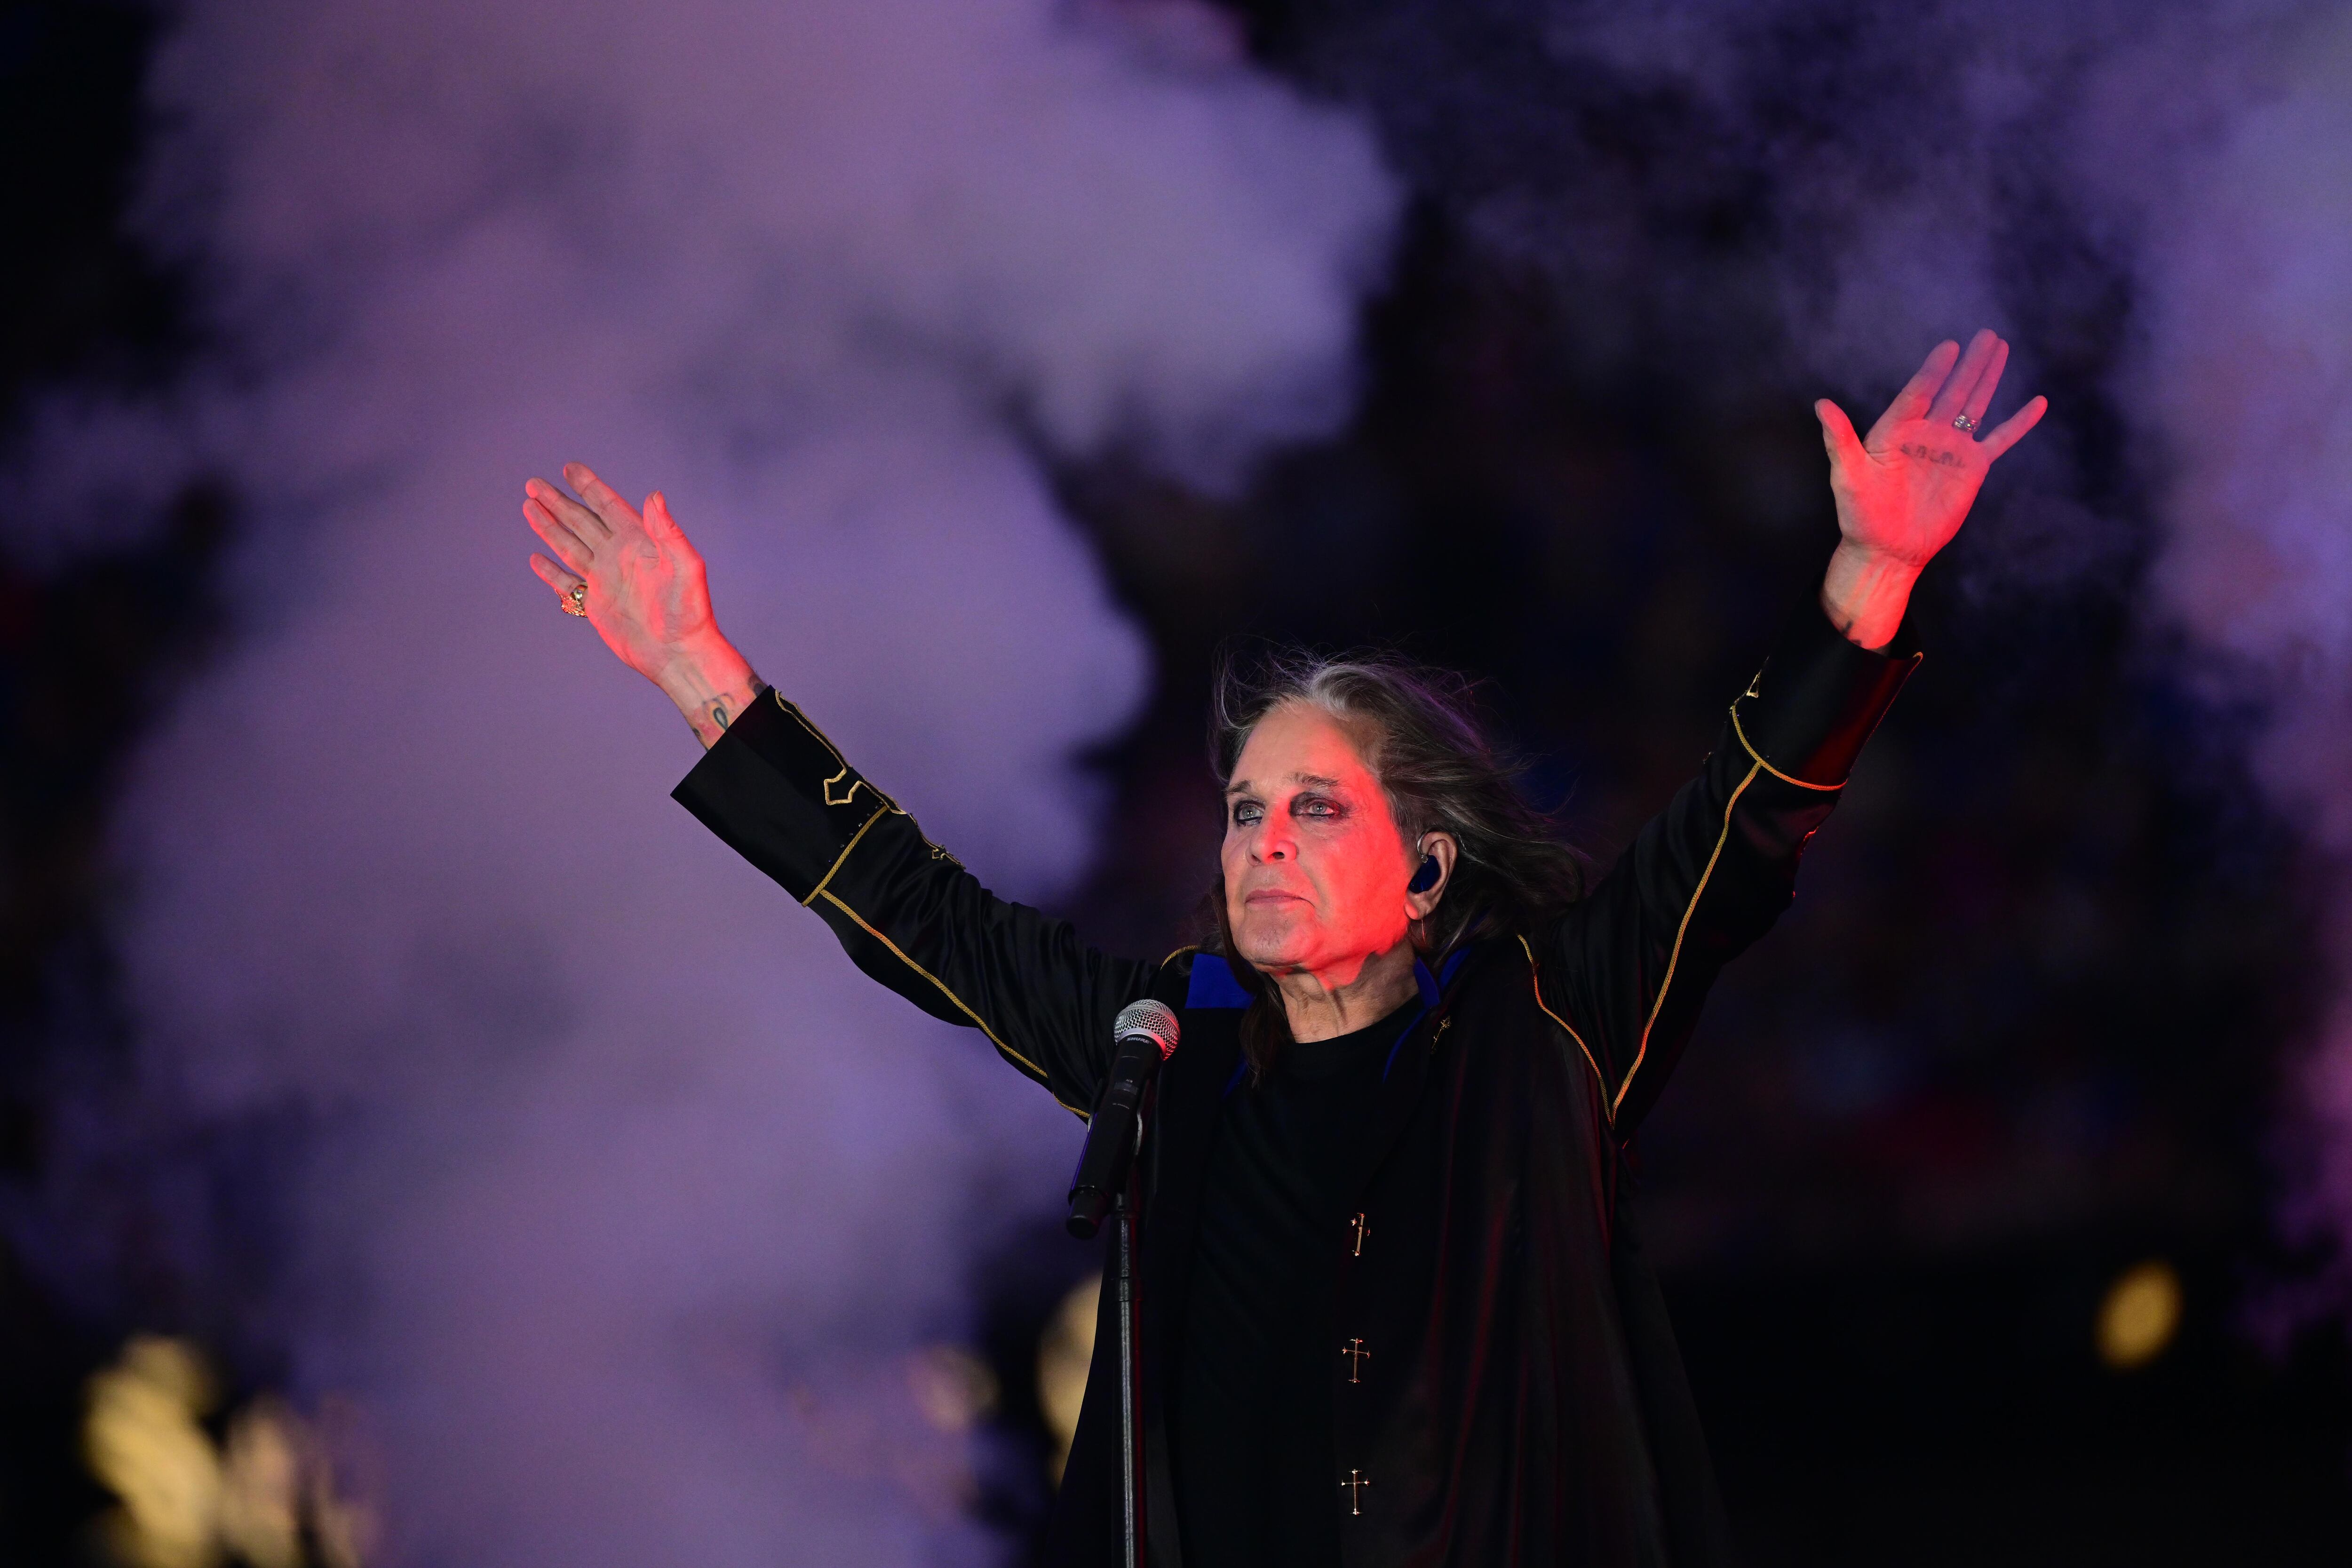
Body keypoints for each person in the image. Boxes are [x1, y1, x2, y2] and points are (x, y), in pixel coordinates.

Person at [521, 331, 2045, 1567]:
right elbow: (920, 914)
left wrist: (1871, 587)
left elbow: (1741, 829)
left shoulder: (1550, 1022)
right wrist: (699, 673)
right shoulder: (1164, 1044)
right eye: (1247, 810)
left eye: (1317, 809)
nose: (1261, 840)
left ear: (1429, 863)